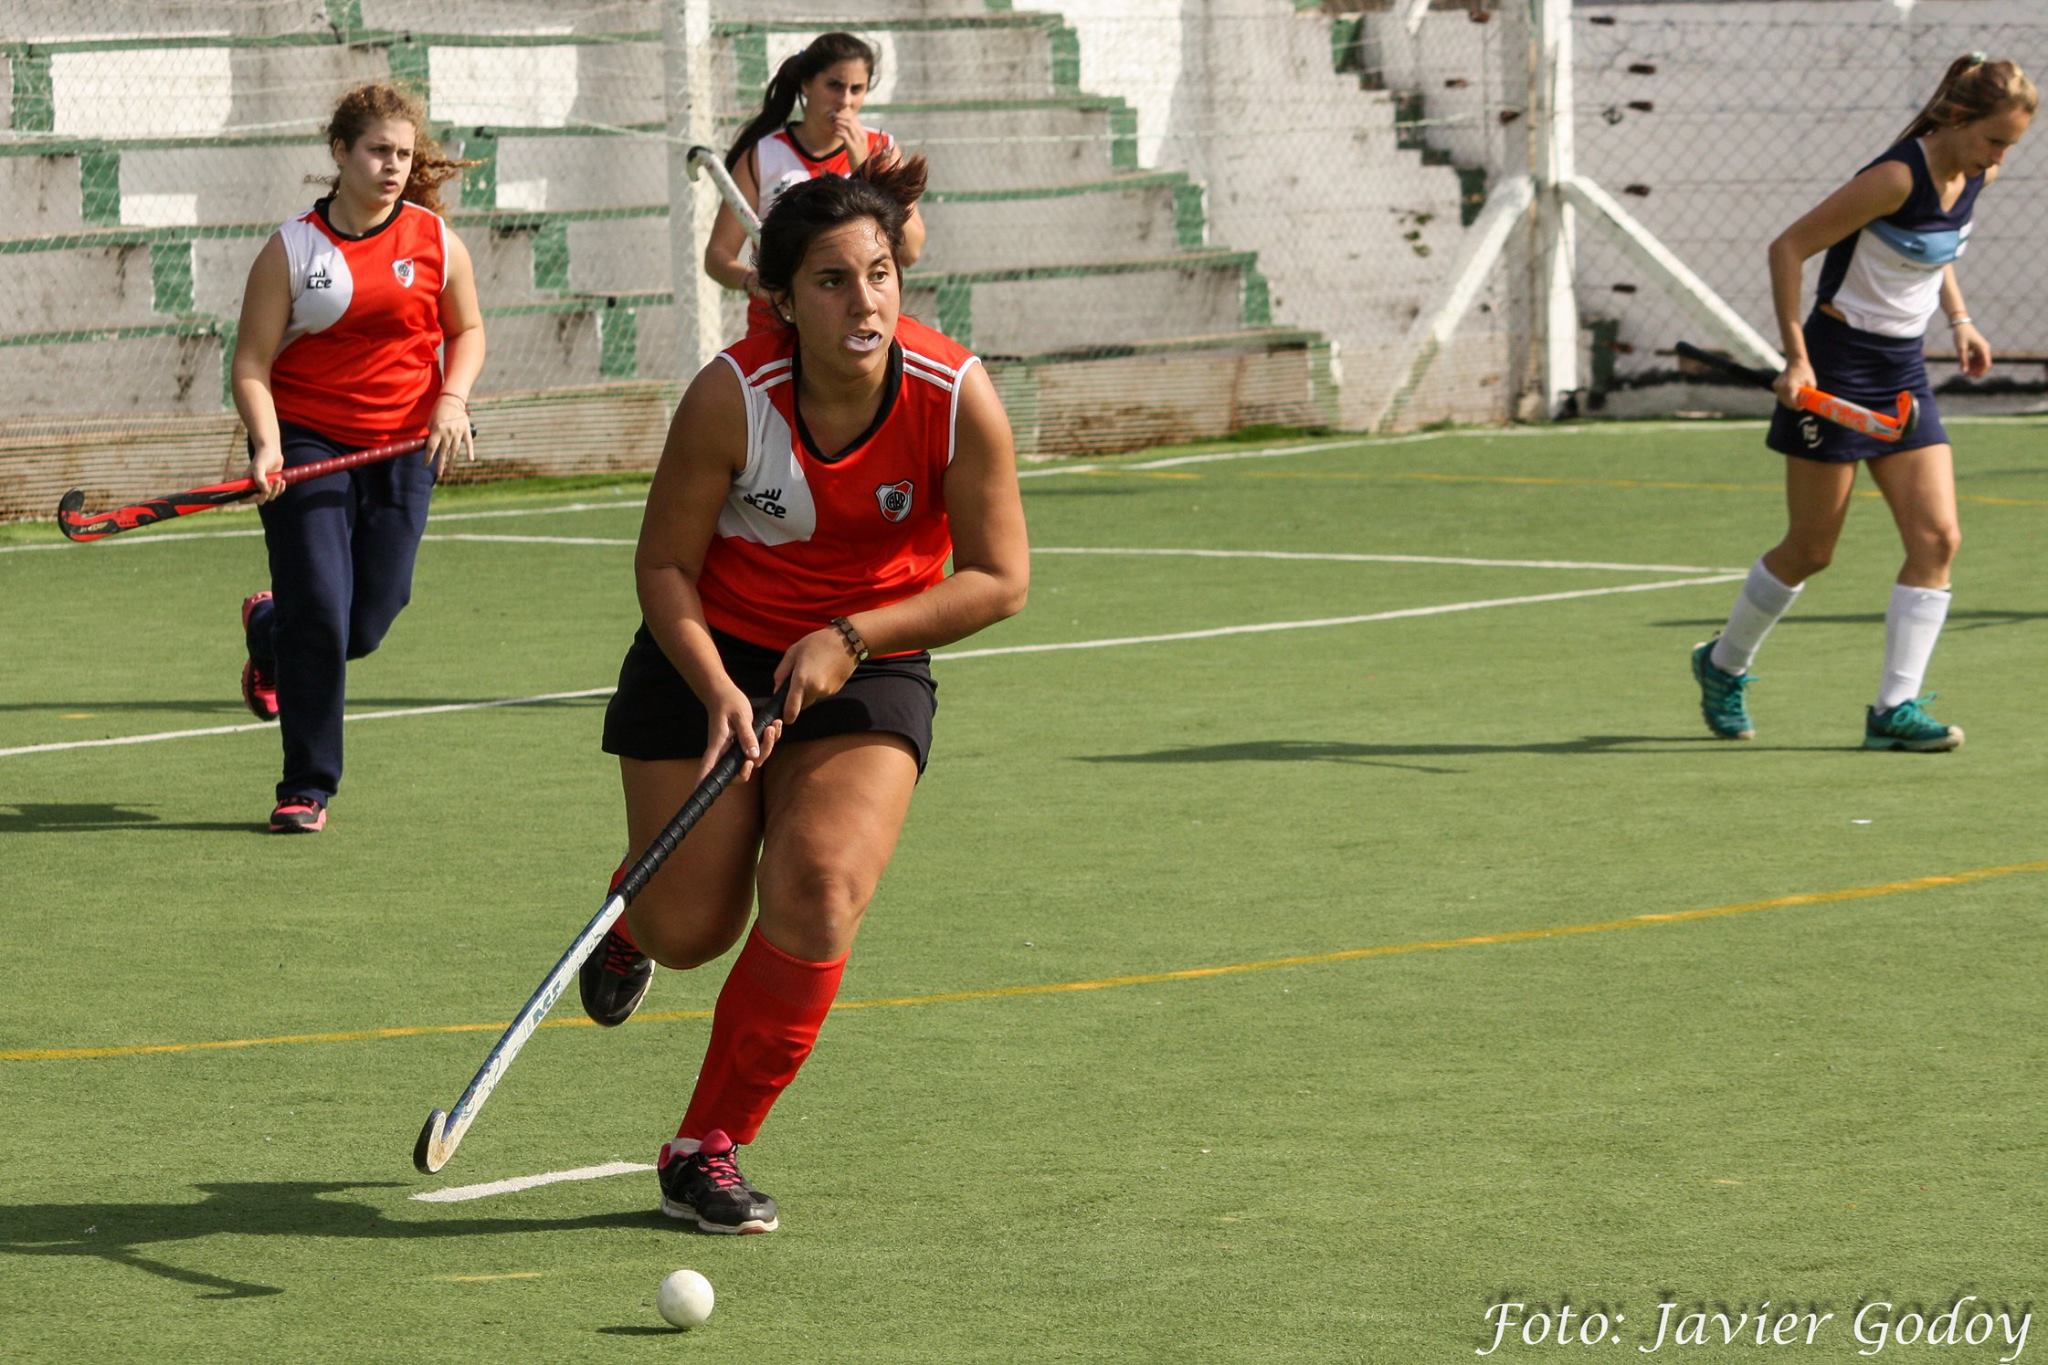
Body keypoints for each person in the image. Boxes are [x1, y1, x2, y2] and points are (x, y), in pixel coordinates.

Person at [583, 158, 1028, 1233]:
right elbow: (661, 570)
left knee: (820, 887)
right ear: (783, 300)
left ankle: (707, 1146)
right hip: (709, 655)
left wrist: (849, 636)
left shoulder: (953, 395)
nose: (863, 300)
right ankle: (635, 914)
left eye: (877, 274)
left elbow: (998, 579)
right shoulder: (730, 399)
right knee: (693, 927)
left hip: (866, 662)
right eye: (831, 281)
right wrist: (719, 693)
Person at [1690, 54, 2035, 752]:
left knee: (1939, 539)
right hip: (1838, 364)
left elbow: (1937, 251)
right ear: (1959, 118)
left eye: (2011, 145)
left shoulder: (1977, 172)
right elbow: (1788, 248)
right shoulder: (1893, 177)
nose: (2003, 156)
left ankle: (1893, 710)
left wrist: (1960, 320)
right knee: (1812, 549)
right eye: (1996, 140)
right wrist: (1797, 357)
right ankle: (1722, 664)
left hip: (1903, 370)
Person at [231, 83, 486, 832]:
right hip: (307, 438)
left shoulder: (436, 242)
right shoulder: (292, 249)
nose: (393, 166)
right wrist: (270, 442)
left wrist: (453, 399)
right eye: (378, 150)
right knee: (320, 613)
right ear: (339, 152)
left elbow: (467, 331)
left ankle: (265, 630)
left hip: (405, 443)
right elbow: (250, 362)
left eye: (404, 154)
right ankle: (307, 785)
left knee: (364, 624)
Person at [703, 31, 927, 338]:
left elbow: (911, 251)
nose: (845, 100)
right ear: (806, 85)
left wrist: (866, 169)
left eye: (856, 89)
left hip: (857, 329)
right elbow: (718, 257)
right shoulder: (763, 155)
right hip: (779, 328)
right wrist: (754, 282)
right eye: (834, 85)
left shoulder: (882, 149)